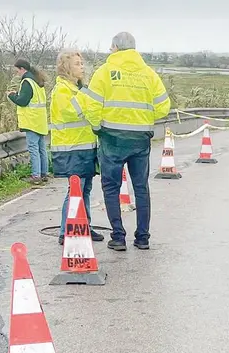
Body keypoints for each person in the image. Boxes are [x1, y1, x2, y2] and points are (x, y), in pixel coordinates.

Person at [76, 32, 171, 251]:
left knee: (111, 187)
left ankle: (118, 237)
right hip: (140, 138)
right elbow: (163, 107)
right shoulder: (149, 74)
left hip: (112, 138)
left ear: (116, 48)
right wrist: (144, 119)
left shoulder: (104, 72)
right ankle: (143, 237)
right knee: (141, 187)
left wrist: (97, 126)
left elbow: (91, 105)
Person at [49, 49, 104, 245]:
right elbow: (76, 112)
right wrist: (89, 98)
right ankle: (66, 230)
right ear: (66, 67)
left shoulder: (78, 89)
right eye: (77, 64)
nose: (82, 67)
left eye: (82, 63)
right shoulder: (62, 91)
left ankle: (84, 226)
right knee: (75, 190)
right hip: (70, 149)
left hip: (84, 147)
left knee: (85, 189)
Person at [7, 58, 49, 184]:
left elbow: (22, 101)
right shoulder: (37, 81)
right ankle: (44, 173)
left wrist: (11, 95)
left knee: (33, 148)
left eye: (17, 71)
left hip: (31, 120)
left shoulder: (27, 81)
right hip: (40, 120)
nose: (17, 74)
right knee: (41, 148)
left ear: (22, 69)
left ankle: (36, 176)